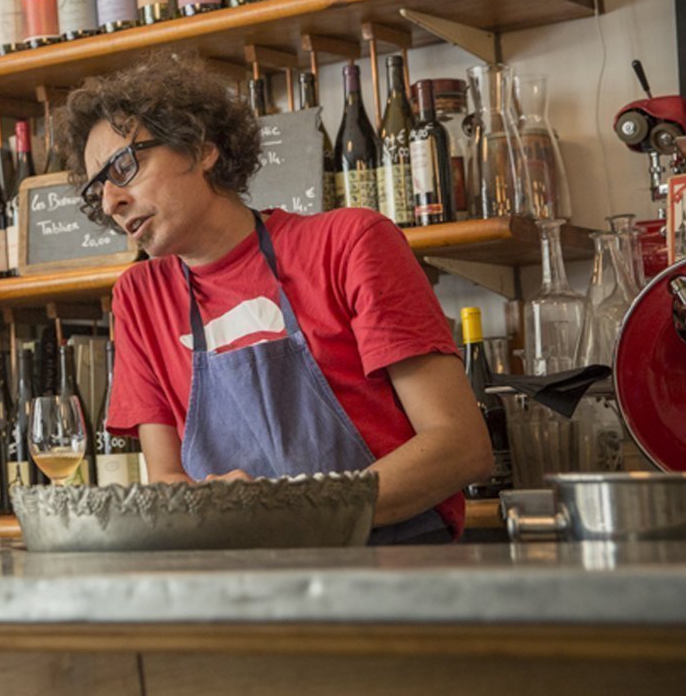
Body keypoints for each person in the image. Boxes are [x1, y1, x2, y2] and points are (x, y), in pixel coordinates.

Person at [51, 55, 493, 544]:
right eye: (99, 190)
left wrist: (282, 511)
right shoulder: (140, 296)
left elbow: (459, 446)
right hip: (242, 580)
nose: (112, 201)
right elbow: (168, 481)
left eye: (124, 166)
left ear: (201, 148)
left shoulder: (348, 243)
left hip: (388, 565)